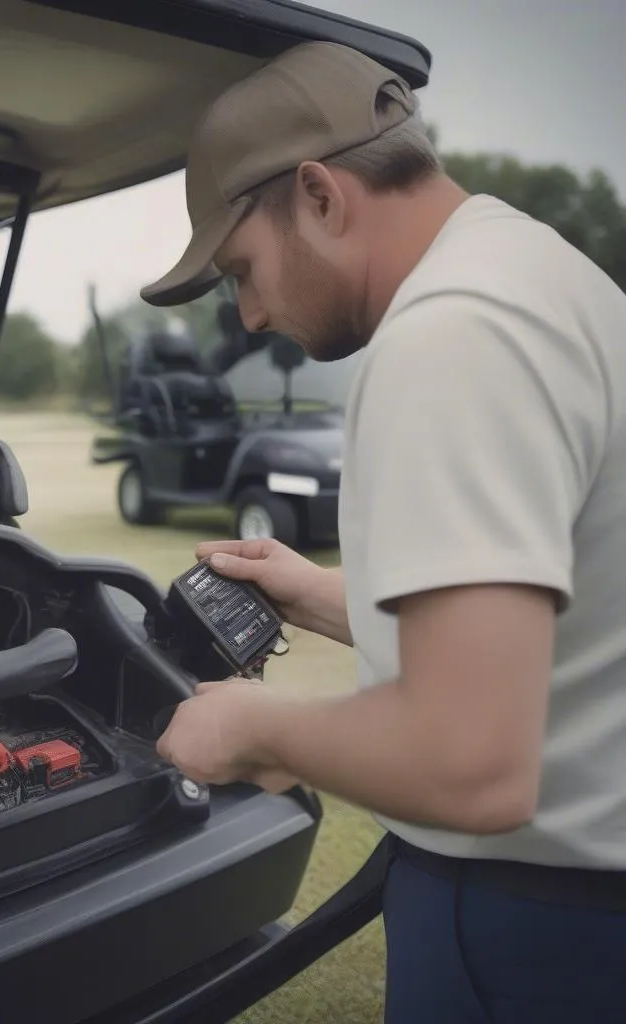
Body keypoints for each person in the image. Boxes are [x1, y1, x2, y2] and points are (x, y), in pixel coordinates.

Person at [140, 40, 626, 1024]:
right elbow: (560, 632)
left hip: (529, 930)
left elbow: (471, 760)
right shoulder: (537, 274)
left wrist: (256, 729)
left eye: (242, 268)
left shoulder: (449, 335)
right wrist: (322, 594)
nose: (251, 310)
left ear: (319, 195)